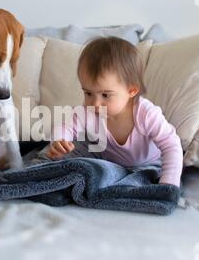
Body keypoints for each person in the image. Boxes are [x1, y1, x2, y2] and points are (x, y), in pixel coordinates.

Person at [45, 36, 183, 187]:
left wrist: (169, 184)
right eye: (88, 93)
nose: (95, 103)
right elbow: (66, 126)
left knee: (143, 181)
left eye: (105, 95)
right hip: (109, 162)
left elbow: (172, 145)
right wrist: (60, 140)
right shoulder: (87, 111)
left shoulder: (145, 113)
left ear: (131, 90)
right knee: (71, 160)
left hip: (149, 163)